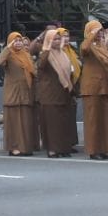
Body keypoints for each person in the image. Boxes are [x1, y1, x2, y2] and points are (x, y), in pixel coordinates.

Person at [79, 21, 108, 160]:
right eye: (97, 31)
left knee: (105, 120)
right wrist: (91, 35)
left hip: (105, 86)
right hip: (92, 88)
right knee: (93, 120)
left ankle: (104, 149)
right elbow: (84, 48)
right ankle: (94, 150)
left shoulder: (102, 46)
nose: (100, 33)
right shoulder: (88, 45)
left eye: (101, 31)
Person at [34, 27, 76, 158]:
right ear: (48, 40)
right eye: (54, 39)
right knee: (51, 123)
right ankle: (52, 149)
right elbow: (40, 66)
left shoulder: (62, 53)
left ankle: (62, 148)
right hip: (49, 94)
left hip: (63, 92)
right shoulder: (45, 54)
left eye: (59, 39)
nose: (57, 42)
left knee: (62, 122)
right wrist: (46, 49)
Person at [0, 31, 37, 156]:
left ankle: (24, 147)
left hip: (25, 93)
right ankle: (13, 147)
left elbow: (33, 72)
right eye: (16, 40)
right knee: (14, 122)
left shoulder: (26, 55)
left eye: (20, 40)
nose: (18, 43)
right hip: (13, 94)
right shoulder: (9, 55)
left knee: (24, 122)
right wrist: (8, 48)